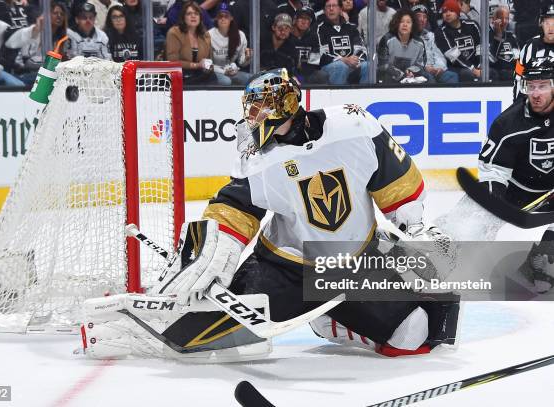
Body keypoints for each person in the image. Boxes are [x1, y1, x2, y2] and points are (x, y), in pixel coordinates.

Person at [81, 68, 461, 361]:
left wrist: (416, 226)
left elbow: (396, 179)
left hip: (355, 264)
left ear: (284, 110)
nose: (252, 118)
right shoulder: (259, 160)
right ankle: (127, 325)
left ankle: (329, 320)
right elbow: (235, 206)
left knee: (415, 333)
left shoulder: (355, 128)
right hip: (284, 267)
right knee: (197, 337)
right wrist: (217, 246)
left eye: (259, 109)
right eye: (251, 109)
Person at [478, 57, 554, 293]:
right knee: (469, 227)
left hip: (548, 192)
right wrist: (495, 205)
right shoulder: (509, 123)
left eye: (542, 86)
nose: (535, 93)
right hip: (513, 191)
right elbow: (492, 169)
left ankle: (537, 265)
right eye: (531, 86)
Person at [4, 2, 70, 86]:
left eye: (62, 14)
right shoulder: (34, 33)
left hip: (45, 73)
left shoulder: (63, 38)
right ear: (46, 16)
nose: (59, 16)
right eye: (55, 13)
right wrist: (55, 65)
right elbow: (27, 62)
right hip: (22, 73)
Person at [317, 0, 368, 84]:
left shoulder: (351, 28)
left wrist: (355, 60)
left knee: (368, 66)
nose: (331, 9)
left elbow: (361, 49)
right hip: (330, 66)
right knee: (340, 66)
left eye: (334, 6)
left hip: (351, 65)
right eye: (328, 6)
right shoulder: (319, 29)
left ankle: (365, 96)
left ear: (340, 9)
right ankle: (338, 96)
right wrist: (343, 59)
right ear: (324, 10)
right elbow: (321, 55)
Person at [166, 1, 217, 84]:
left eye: (196, 14)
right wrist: (197, 65)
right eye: (189, 14)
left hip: (198, 74)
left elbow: (209, 61)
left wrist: (209, 66)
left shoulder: (205, 35)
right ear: (183, 17)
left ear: (200, 17)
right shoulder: (174, 33)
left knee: (213, 77)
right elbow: (173, 61)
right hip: (179, 74)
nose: (193, 16)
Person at [513, 2, 554, 102]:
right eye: (547, 23)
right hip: (534, 104)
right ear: (541, 23)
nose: (551, 28)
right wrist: (517, 103)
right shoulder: (529, 47)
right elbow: (518, 75)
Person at [377, 8, 431, 83]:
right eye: (401, 22)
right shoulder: (387, 39)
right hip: (389, 77)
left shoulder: (419, 43)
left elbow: (420, 64)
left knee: (428, 77)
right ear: (396, 23)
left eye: (408, 22)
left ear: (413, 25)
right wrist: (401, 75)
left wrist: (411, 71)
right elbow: (383, 65)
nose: (405, 25)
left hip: (411, 77)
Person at [435, 0, 481, 82]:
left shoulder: (472, 25)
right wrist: (473, 69)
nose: (448, 14)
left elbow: (480, 46)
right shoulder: (441, 32)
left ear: (457, 12)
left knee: (492, 72)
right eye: (445, 12)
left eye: (451, 10)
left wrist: (480, 66)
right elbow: (454, 56)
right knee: (467, 74)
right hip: (456, 68)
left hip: (476, 64)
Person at [208, 2, 252, 85]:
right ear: (216, 18)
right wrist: (223, 71)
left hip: (231, 71)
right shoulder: (209, 35)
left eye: (226, 16)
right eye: (220, 16)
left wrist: (247, 58)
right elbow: (207, 65)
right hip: (214, 71)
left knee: (250, 79)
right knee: (226, 81)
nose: (223, 19)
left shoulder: (240, 35)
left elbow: (241, 62)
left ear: (231, 18)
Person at [412, 4, 458, 83]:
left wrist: (439, 68)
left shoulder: (430, 36)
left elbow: (438, 55)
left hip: (434, 70)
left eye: (425, 17)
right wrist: (424, 68)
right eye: (418, 16)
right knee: (429, 78)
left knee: (452, 76)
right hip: (417, 72)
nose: (422, 19)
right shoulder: (407, 36)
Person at [291, 6, 329, 84]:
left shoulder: (314, 38)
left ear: (311, 22)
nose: (304, 21)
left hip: (307, 74)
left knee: (321, 76)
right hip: (289, 73)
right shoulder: (288, 36)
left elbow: (313, 64)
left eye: (307, 19)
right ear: (295, 20)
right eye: (301, 18)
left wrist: (301, 78)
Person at [489, 5, 519, 82]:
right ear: (493, 19)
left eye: (506, 18)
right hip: (497, 74)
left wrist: (520, 72)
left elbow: (517, 58)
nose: (504, 21)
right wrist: (498, 36)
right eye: (501, 18)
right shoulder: (487, 36)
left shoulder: (511, 36)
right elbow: (491, 60)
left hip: (511, 73)